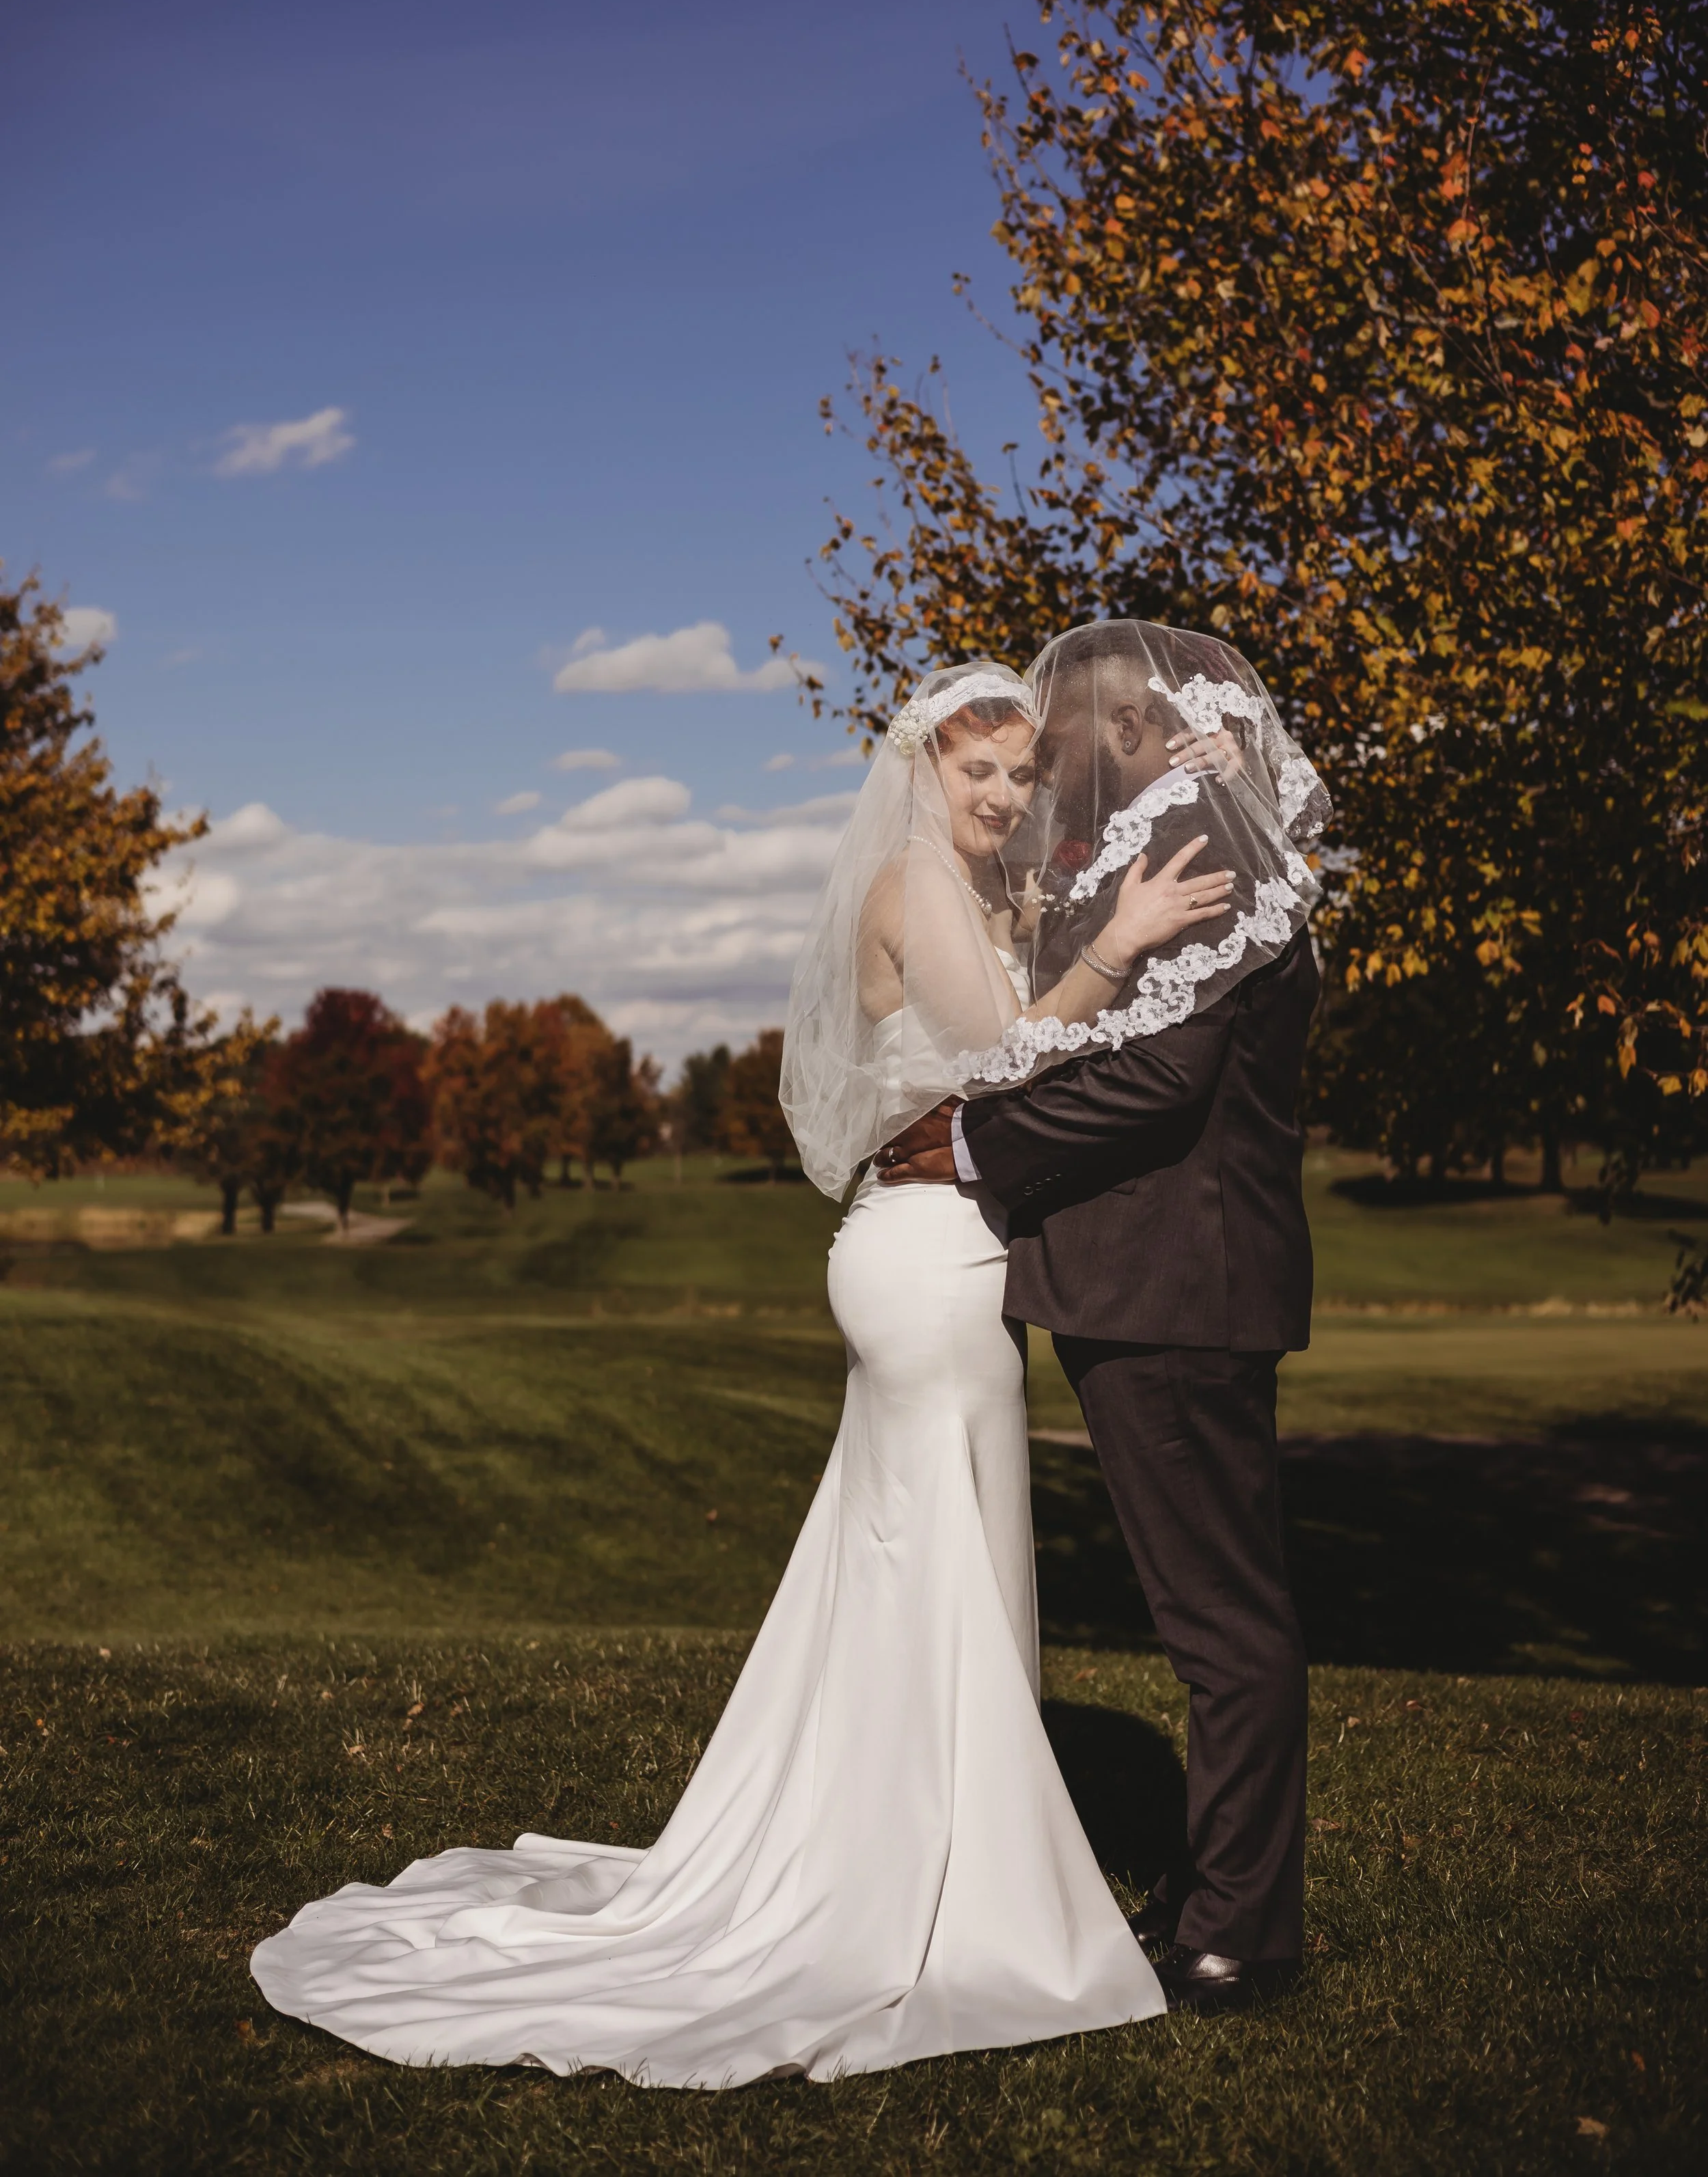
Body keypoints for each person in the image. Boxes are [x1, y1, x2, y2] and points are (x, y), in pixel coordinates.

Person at [249, 659, 1234, 2087]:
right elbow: (1011, 1052)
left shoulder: (981, 889)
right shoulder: (911, 886)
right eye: (982, 774)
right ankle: (939, 1888)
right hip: (920, 1258)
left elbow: (1031, 968)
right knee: (935, 1553)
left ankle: (932, 1853)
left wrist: (1135, 835)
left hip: (951, 1251)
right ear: (920, 771)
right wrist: (1124, 935)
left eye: (1021, 775)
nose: (1007, 798)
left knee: (925, 1554)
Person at [877, 618, 1332, 2014]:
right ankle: (1224, 1905)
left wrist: (968, 1147)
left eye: (1066, 738)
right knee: (1219, 1609)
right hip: (1175, 1277)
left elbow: (1159, 1082)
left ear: (1129, 722)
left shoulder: (1189, 840)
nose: (1047, 768)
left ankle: (1234, 1936)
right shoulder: (1220, 827)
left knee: (1218, 1622)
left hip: (1169, 1284)